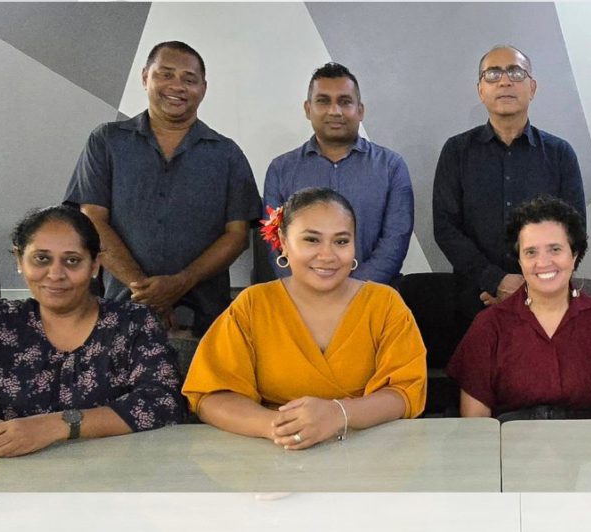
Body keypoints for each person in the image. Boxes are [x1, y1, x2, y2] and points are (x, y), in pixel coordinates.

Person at [183, 187, 427, 450]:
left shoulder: (384, 303)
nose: (327, 255)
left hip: (369, 451)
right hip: (272, 452)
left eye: (341, 241)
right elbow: (211, 395)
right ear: (284, 242)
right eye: (312, 240)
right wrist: (282, 427)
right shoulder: (253, 304)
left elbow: (404, 391)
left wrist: (338, 415)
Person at [0, 206, 183, 458]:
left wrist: (55, 426)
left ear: (95, 265)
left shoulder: (134, 322)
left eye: (72, 260)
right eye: (41, 259)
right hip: (23, 472)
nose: (55, 274)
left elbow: (163, 402)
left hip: (121, 472)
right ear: (19, 260)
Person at [65, 40, 261, 335]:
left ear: (203, 89)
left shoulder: (227, 154)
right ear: (145, 77)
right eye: (166, 74)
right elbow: (92, 221)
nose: (177, 86)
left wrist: (181, 282)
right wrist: (148, 293)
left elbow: (237, 236)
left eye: (189, 79)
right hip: (123, 313)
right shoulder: (106, 142)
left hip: (205, 321)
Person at [447, 195, 591, 421]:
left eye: (555, 249)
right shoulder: (488, 326)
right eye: (531, 252)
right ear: (519, 260)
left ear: (574, 254)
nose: (543, 262)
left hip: (589, 443)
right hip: (509, 442)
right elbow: (476, 420)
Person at [434, 45, 585, 325]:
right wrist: (495, 280)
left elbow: (574, 232)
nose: (504, 81)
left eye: (516, 73)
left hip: (545, 299)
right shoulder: (457, 152)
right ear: (480, 90)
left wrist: (531, 287)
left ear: (532, 88)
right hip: (474, 299)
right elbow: (445, 228)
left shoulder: (559, 154)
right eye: (493, 74)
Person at [263, 62, 414, 285]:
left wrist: (352, 291)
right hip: (300, 299)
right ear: (308, 109)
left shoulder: (391, 167)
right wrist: (308, 290)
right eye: (323, 101)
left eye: (344, 102)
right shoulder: (281, 170)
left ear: (360, 110)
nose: (335, 111)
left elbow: (395, 242)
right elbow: (275, 243)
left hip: (374, 296)